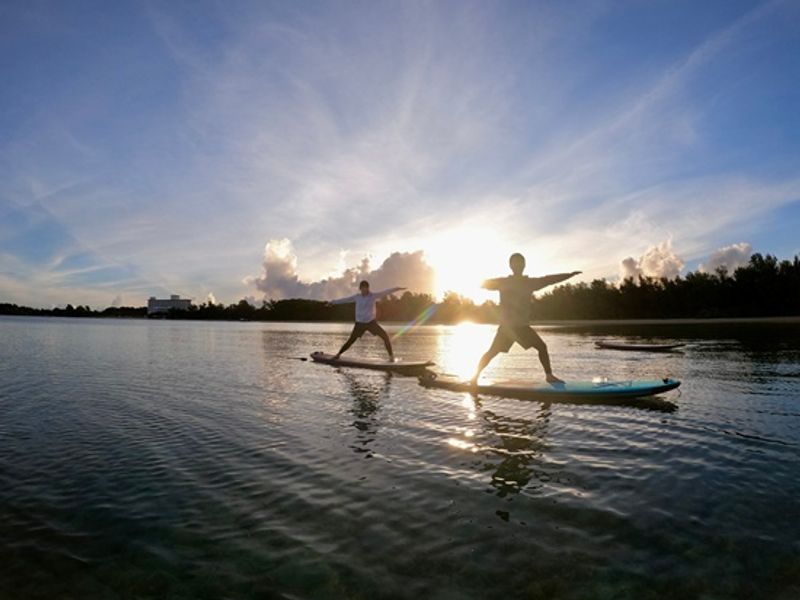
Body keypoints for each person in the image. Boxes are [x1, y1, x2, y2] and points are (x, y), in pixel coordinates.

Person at [471, 253, 580, 385]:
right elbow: (482, 283)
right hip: (507, 329)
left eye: (521, 263)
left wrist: (569, 274)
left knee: (542, 347)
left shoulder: (530, 283)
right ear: (510, 265)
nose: (518, 265)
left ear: (524, 265)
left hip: (522, 327)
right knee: (492, 353)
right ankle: (474, 377)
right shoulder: (503, 282)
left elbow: (549, 279)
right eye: (515, 263)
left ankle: (549, 376)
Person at [330, 281, 405, 360]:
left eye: (366, 288)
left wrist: (397, 288)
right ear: (360, 289)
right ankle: (338, 355)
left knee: (385, 337)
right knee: (351, 340)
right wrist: (332, 302)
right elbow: (345, 300)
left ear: (368, 288)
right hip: (359, 324)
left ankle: (391, 357)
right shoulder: (357, 297)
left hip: (371, 323)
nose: (365, 290)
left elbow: (385, 292)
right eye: (363, 288)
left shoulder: (373, 296)